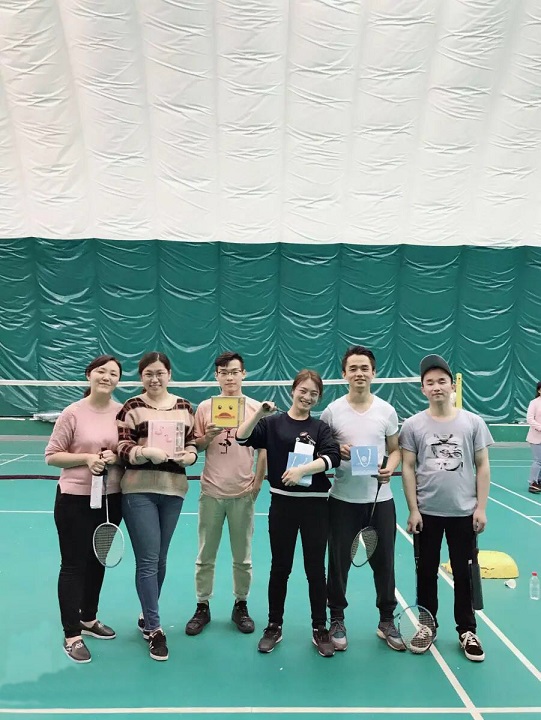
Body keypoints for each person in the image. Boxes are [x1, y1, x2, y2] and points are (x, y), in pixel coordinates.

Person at [236, 370, 341, 657]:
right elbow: (242, 438)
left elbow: (332, 457)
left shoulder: (320, 427)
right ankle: (274, 626)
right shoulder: (272, 423)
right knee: (280, 567)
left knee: (315, 569)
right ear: (293, 390)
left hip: (316, 506)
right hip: (282, 505)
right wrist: (259, 413)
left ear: (318, 398)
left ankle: (319, 628)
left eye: (313, 394)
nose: (307, 397)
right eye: (303, 391)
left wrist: (302, 470)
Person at [399, 354, 492, 662]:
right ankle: (427, 625)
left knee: (464, 574)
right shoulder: (413, 425)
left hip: (463, 513)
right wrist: (413, 509)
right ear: (423, 389)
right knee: (425, 572)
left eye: (442, 381)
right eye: (430, 382)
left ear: (452, 386)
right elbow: (408, 467)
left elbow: (482, 465)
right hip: (427, 513)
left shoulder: (473, 423)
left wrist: (481, 508)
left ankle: (467, 630)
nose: (436, 386)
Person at [117, 351, 198, 662]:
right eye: (148, 373)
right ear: (141, 377)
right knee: (149, 560)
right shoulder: (131, 407)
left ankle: (146, 616)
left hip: (173, 490)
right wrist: (143, 453)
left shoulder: (184, 407)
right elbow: (122, 445)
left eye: (159, 373)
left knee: (160, 559)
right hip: (139, 491)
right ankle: (154, 628)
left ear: (169, 375)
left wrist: (190, 456)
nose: (154, 378)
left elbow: (191, 442)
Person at [321, 346, 403, 652]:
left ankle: (386, 620)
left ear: (373, 373)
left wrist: (390, 468)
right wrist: (336, 450)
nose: (359, 373)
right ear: (344, 374)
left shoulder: (386, 411)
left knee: (385, 563)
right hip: (342, 500)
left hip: (380, 501)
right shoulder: (332, 412)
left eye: (364, 368)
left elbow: (395, 449)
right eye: (353, 368)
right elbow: (322, 449)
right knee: (338, 563)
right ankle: (337, 618)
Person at [45, 355, 123, 664]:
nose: (106, 377)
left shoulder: (123, 412)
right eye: (101, 371)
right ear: (89, 375)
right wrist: (86, 459)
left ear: (118, 380)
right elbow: (52, 455)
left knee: (97, 561)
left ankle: (88, 618)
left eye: (113, 373)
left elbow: (127, 450)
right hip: (74, 499)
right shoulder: (72, 413)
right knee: (74, 565)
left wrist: (116, 457)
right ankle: (72, 634)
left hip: (110, 499)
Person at [185, 352, 267, 636]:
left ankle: (241, 605)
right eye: (224, 372)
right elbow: (196, 446)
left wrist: (257, 483)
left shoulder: (256, 408)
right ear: (216, 376)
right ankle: (202, 605)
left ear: (243, 374)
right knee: (205, 555)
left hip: (242, 493)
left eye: (234, 372)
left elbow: (263, 450)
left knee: (242, 557)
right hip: (211, 492)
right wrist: (207, 436)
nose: (229, 377)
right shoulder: (205, 408)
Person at [526, 381, 541, 494]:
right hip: (536, 437)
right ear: (539, 390)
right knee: (538, 460)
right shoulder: (534, 403)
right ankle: (533, 483)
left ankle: (539, 481)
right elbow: (530, 419)